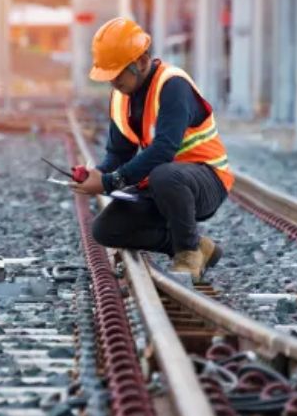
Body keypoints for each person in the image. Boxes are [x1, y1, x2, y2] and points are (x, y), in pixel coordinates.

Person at [71, 17, 233, 281]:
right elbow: (118, 153)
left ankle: (188, 255)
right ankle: (197, 245)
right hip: (162, 186)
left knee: (165, 174)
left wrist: (112, 181)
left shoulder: (172, 86)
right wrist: (96, 175)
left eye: (117, 73)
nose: (113, 82)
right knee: (105, 229)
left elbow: (163, 150)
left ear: (142, 62)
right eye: (108, 76)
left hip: (206, 181)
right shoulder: (121, 97)